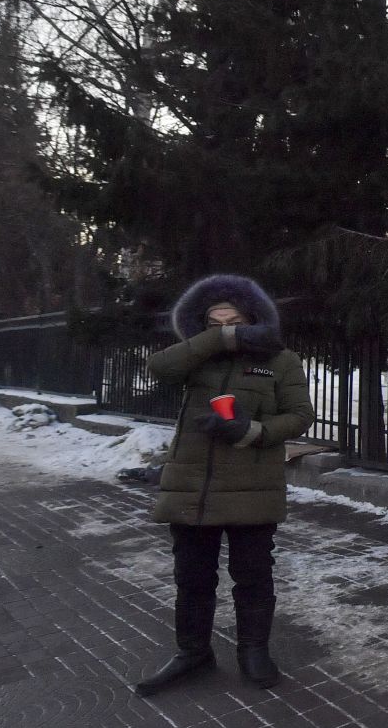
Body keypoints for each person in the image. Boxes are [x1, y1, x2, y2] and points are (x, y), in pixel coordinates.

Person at [133, 274, 314, 696]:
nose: (226, 329)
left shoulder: (281, 360)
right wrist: (217, 341)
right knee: (192, 577)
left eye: (234, 321)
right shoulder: (197, 358)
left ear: (254, 319)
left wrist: (248, 430)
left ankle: (254, 650)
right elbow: (159, 367)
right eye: (215, 323)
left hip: (252, 485)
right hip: (193, 487)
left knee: (252, 575)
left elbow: (300, 416)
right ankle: (192, 652)